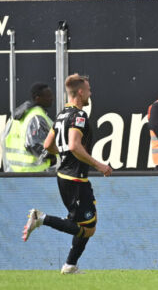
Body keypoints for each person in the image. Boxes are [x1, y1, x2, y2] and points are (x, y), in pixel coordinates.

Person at [22, 74, 113, 274]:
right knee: (87, 228)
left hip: (68, 177)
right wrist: (99, 165)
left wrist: (63, 152)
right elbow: (74, 145)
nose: (90, 93)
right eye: (88, 90)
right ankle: (41, 218)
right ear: (80, 92)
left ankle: (70, 265)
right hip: (74, 179)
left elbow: (47, 145)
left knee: (85, 223)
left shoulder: (62, 114)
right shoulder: (79, 116)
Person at [3, 83, 55, 172]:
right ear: (38, 98)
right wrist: (52, 157)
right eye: (48, 96)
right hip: (33, 171)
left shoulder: (20, 114)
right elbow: (35, 144)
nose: (52, 98)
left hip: (15, 170)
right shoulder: (36, 116)